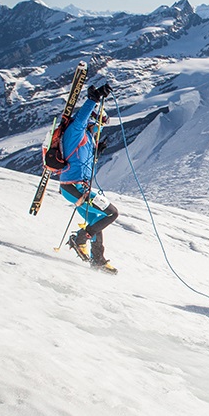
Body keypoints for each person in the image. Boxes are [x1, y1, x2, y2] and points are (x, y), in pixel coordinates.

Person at [60, 82, 118, 274]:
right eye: (99, 122)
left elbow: (82, 161)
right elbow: (80, 119)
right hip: (74, 186)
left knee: (96, 220)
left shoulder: (87, 137)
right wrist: (94, 99)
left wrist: (97, 153)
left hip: (76, 187)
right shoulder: (76, 131)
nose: (99, 126)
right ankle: (79, 239)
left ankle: (98, 260)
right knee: (111, 213)